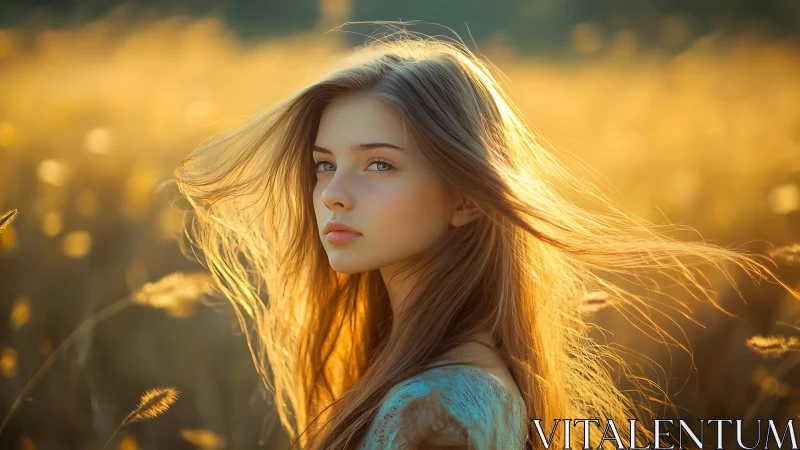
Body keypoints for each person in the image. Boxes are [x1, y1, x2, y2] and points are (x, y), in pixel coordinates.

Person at [172, 24, 798, 450]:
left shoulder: (432, 410)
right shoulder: (458, 381)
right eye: (324, 164)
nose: (333, 192)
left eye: (380, 163)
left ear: (468, 197)